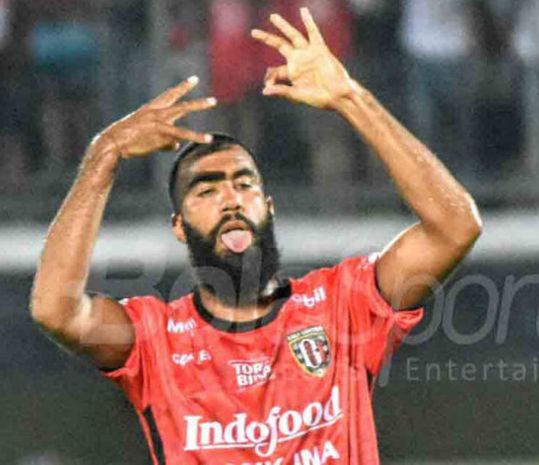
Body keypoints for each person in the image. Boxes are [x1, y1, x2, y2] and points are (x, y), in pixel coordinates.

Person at [31, 8, 482, 465]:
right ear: (178, 226)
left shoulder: (342, 306)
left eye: (244, 184)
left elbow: (456, 226)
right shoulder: (157, 341)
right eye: (206, 189)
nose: (230, 198)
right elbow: (54, 309)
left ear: (268, 208)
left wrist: (351, 97)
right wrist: (103, 156)